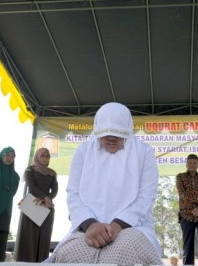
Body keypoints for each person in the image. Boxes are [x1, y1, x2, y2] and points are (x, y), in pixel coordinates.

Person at [48, 102, 162, 264]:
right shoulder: (82, 152)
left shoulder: (144, 152)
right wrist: (90, 224)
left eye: (117, 132)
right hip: (87, 228)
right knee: (71, 253)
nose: (111, 137)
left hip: (132, 226)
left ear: (128, 129)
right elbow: (73, 194)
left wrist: (117, 225)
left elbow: (147, 196)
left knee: (126, 251)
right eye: (105, 132)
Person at [16, 147, 58, 262]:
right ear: (37, 156)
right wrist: (45, 197)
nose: (45, 158)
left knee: (43, 239)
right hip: (32, 205)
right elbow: (32, 186)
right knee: (28, 239)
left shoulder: (52, 173)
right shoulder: (30, 170)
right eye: (42, 155)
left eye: (47, 156)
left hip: (47, 207)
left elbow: (54, 190)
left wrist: (48, 198)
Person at [176, 154, 198, 265]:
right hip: (187, 214)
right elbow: (183, 194)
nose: (192, 165)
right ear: (186, 164)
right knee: (188, 246)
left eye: (194, 163)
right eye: (190, 162)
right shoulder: (180, 177)